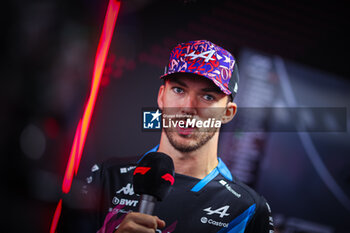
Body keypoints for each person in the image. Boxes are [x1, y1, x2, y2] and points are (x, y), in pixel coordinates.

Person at [58, 40, 274, 233]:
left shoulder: (249, 210)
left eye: (207, 96)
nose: (188, 107)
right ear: (161, 97)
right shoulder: (105, 177)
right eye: (179, 90)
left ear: (227, 113)